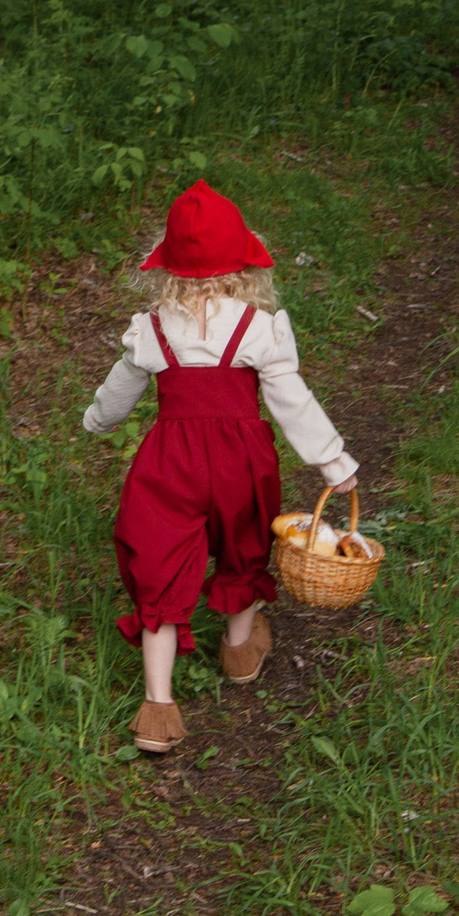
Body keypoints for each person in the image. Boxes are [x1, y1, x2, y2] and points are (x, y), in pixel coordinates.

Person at [82, 180, 359, 753]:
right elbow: (292, 401)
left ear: (168, 266)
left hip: (171, 464)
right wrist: (333, 462)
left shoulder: (154, 327)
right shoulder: (257, 328)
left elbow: (118, 391)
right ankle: (238, 648)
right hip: (240, 462)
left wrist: (97, 421)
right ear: (245, 264)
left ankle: (158, 706)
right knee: (244, 540)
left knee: (160, 563)